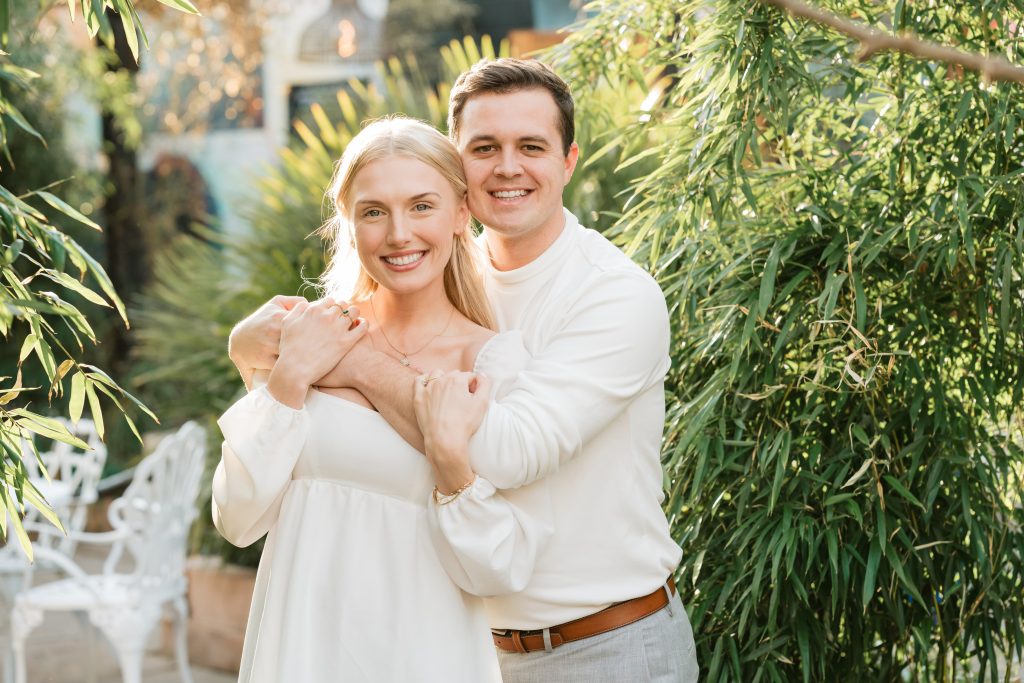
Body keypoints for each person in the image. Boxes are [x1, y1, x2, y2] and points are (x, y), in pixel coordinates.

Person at [230, 58, 700, 682]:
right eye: (485, 148)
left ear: (569, 160)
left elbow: (504, 451)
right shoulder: (432, 268)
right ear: (459, 173)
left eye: (531, 146)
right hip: (469, 647)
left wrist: (355, 361)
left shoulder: (613, 296)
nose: (507, 166)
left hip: (602, 645)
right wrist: (247, 349)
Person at [212, 116, 546, 682]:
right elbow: (237, 518)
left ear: (462, 213)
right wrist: (289, 378)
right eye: (373, 211)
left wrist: (451, 470)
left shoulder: (492, 364)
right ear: (348, 223)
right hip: (302, 649)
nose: (398, 234)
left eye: (422, 206)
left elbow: (502, 569)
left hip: (425, 654)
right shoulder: (309, 337)